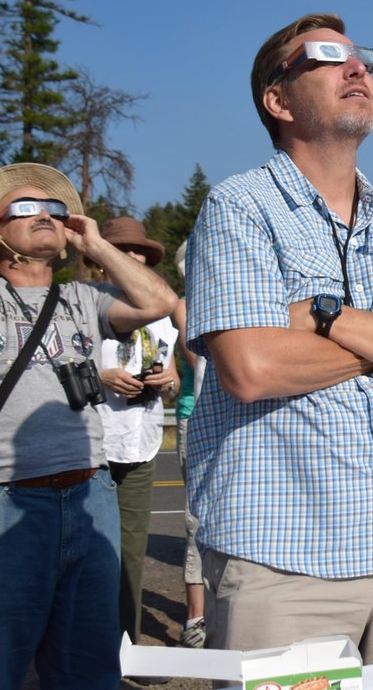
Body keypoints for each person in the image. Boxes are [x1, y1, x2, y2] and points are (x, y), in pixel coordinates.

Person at [185, 13, 373, 662]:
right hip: (284, 556)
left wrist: (322, 314)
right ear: (278, 99)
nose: (357, 69)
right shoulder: (239, 208)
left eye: (364, 58)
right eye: (324, 57)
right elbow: (251, 368)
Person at [0, 163, 177, 689]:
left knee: (89, 667)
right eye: (23, 209)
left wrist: (96, 244)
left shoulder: (84, 299)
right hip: (0, 502)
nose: (44, 215)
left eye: (56, 211)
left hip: (91, 496)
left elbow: (159, 304)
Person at [89, 217, 182, 649]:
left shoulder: (163, 317)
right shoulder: (86, 303)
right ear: (101, 260)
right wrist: (101, 376)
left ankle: (127, 646)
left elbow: (176, 381)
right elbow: (50, 370)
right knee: (85, 555)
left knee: (129, 555)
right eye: (123, 251)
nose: (133, 258)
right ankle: (80, 649)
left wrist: (167, 382)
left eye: (139, 252)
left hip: (141, 447)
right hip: (91, 449)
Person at [171, 240, 205, 649]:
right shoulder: (185, 305)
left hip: (244, 414)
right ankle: (195, 618)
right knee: (198, 518)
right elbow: (197, 358)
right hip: (196, 413)